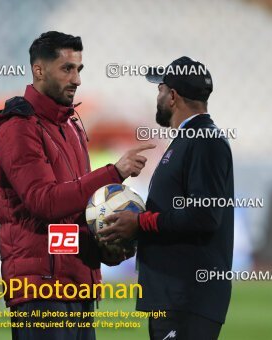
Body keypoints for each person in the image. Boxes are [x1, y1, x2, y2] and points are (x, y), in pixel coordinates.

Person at [0, 31, 154, 340]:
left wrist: (104, 245)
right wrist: (113, 172)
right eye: (67, 68)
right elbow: (44, 201)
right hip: (39, 289)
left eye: (79, 69)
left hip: (76, 285)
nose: (76, 79)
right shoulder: (17, 128)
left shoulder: (71, 127)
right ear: (39, 71)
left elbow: (66, 222)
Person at [99, 57, 234, 340]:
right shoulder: (190, 140)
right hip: (175, 295)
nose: (157, 97)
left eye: (160, 89)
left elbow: (204, 215)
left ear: (173, 96)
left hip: (186, 297)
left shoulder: (204, 141)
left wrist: (141, 224)